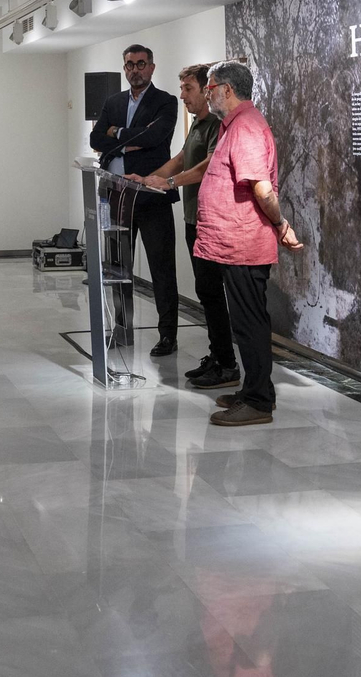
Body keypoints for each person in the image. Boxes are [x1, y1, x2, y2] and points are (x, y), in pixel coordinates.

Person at [193, 60, 303, 426]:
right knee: (244, 322)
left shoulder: (247, 127)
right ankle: (255, 391)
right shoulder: (234, 125)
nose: (207, 94)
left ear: (226, 89)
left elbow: (262, 188)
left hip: (243, 244)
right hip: (231, 243)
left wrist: (281, 222)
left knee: (250, 323)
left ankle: (257, 401)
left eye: (209, 88)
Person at [131, 63, 238, 388]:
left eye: (188, 89)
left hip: (212, 223)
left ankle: (227, 364)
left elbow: (207, 167)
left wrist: (171, 183)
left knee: (213, 294)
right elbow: (181, 158)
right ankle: (217, 356)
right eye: (181, 89)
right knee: (206, 293)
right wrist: (150, 178)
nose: (182, 96)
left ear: (208, 91)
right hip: (195, 220)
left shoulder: (217, 127)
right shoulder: (197, 124)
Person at [88, 43, 180, 355]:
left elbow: (156, 137)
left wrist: (116, 136)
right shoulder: (113, 101)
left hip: (151, 197)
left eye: (141, 64)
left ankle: (168, 335)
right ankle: (121, 330)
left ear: (152, 67)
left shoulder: (165, 102)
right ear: (124, 68)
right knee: (118, 269)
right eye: (129, 65)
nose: (135, 70)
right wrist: (129, 139)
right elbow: (94, 138)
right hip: (116, 196)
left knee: (162, 270)